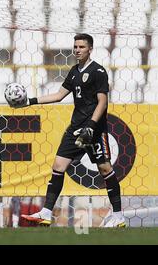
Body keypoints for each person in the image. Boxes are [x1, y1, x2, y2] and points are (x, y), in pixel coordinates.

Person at [9, 33, 125, 228]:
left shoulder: (98, 71)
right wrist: (29, 102)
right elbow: (59, 95)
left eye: (81, 47)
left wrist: (91, 126)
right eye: (76, 47)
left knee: (105, 168)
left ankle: (119, 216)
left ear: (90, 49)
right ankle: (46, 213)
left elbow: (103, 101)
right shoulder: (74, 71)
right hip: (75, 129)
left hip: (93, 130)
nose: (77, 50)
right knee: (58, 166)